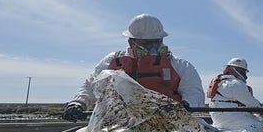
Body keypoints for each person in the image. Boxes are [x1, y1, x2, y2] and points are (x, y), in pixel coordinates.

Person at [62, 14, 205, 121]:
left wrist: (187, 104)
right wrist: (78, 103)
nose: (153, 48)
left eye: (156, 42)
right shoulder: (111, 62)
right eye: (146, 43)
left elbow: (194, 92)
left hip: (167, 124)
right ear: (131, 42)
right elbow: (91, 86)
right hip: (119, 124)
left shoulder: (179, 65)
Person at [207, 57, 263, 132]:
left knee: (252, 118)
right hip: (231, 119)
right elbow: (252, 103)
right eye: (242, 71)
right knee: (262, 123)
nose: (244, 75)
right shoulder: (236, 84)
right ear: (232, 70)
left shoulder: (219, 82)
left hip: (219, 119)